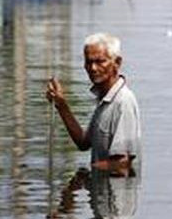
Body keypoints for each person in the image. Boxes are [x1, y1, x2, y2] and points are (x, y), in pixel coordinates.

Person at [46, 33, 142, 176]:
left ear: (117, 63)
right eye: (89, 62)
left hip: (116, 196)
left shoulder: (123, 101)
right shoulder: (104, 100)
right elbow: (84, 143)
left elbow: (122, 164)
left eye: (100, 61)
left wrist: (86, 174)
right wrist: (61, 105)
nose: (93, 68)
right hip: (100, 195)